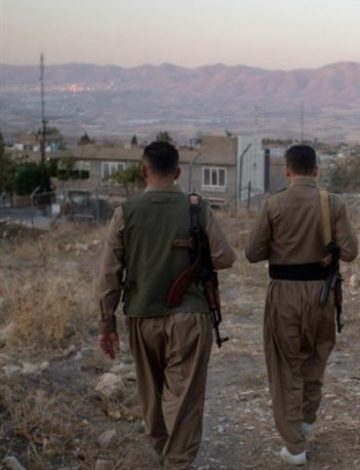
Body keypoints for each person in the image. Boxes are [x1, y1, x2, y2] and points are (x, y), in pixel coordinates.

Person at [96, 141, 236, 469]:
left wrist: (106, 325)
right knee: (184, 397)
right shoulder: (197, 208)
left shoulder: (125, 212)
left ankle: (162, 449)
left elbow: (108, 275)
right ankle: (178, 461)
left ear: (144, 171)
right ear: (178, 172)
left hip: (142, 315)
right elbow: (225, 258)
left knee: (151, 392)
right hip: (190, 317)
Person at [245, 144, 358, 466]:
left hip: (285, 294)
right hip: (322, 293)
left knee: (285, 367)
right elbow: (350, 251)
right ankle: (306, 421)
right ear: (316, 170)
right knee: (315, 360)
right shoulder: (332, 203)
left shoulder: (274, 204)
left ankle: (295, 445)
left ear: (287, 171)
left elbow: (252, 253)